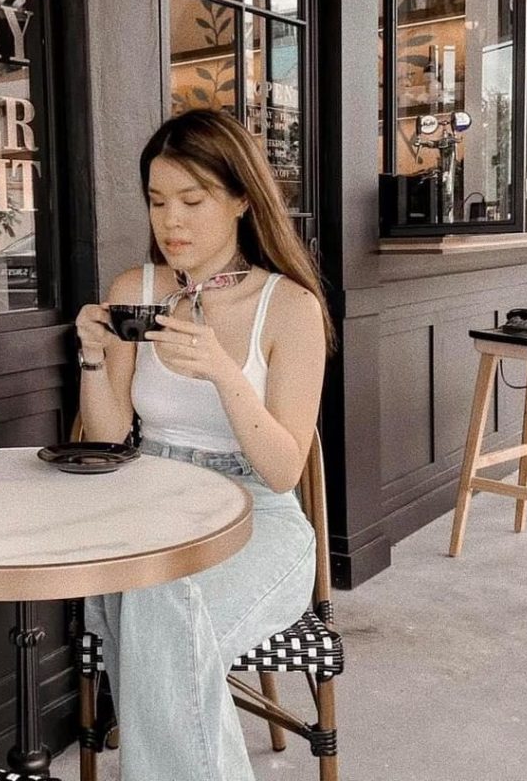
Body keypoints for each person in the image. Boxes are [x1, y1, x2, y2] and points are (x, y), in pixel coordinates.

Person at [75, 108, 334, 781]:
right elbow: (107, 439)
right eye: (157, 201)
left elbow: (283, 471)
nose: (172, 221)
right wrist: (93, 357)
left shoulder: (290, 307)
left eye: (193, 201)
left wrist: (224, 371)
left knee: (153, 599)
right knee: (158, 604)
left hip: (257, 518)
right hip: (152, 503)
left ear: (242, 199)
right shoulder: (136, 291)